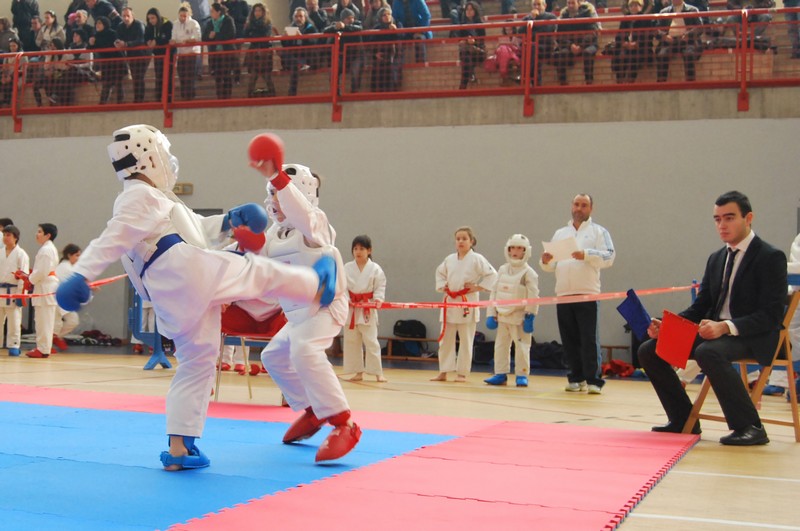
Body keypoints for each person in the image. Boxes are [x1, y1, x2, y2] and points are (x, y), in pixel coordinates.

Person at [55, 124, 338, 470]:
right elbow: (111, 238)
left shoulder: (156, 200)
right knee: (255, 273)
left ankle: (180, 447)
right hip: (183, 270)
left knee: (198, 361)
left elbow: (196, 229)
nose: (169, 161)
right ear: (149, 157)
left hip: (169, 296)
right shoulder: (136, 197)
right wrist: (81, 273)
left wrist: (230, 219)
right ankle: (316, 285)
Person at [638, 191, 786, 446]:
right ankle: (684, 420)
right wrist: (669, 327)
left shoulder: (770, 257)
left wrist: (726, 326)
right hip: (716, 335)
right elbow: (701, 306)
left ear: (748, 218)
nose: (722, 225)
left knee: (709, 352)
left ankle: (751, 426)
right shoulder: (716, 258)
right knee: (650, 349)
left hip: (755, 336)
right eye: (717, 219)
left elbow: (772, 315)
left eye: (729, 218)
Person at [249, 139, 362, 463]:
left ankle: (344, 422)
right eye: (271, 194)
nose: (274, 201)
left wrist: (279, 179)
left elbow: (302, 213)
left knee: (304, 350)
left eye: (280, 194)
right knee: (273, 356)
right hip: (298, 315)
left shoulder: (316, 226)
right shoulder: (273, 235)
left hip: (327, 307)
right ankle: (313, 411)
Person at [540, 194, 615, 394]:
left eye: (584, 205)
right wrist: (546, 261)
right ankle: (575, 377)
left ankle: (593, 380)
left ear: (591, 208)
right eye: (576, 204)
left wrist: (587, 254)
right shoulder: (560, 233)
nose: (579, 208)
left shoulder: (599, 232)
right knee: (569, 338)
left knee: (588, 338)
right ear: (571, 206)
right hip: (564, 293)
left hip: (587, 293)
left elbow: (609, 256)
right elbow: (552, 266)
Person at [432, 226, 497, 383]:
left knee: (466, 340)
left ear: (471, 241)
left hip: (467, 301)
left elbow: (493, 275)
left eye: (464, 239)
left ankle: (462, 373)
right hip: (450, 301)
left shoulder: (477, 259)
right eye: (458, 239)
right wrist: (444, 286)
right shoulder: (449, 259)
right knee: (446, 339)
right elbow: (440, 273)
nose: (461, 241)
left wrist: (478, 287)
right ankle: (444, 371)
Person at [484, 234, 540, 388]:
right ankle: (500, 373)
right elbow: (494, 292)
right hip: (502, 316)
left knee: (522, 347)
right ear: (507, 250)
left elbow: (533, 296)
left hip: (520, 318)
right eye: (513, 248)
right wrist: (491, 314)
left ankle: (522, 375)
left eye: (520, 248)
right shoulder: (502, 270)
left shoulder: (529, 273)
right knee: (501, 346)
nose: (515, 251)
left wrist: (530, 315)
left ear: (526, 251)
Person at [342, 234, 387, 382]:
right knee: (351, 342)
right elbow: (341, 287)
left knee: (371, 341)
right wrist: (347, 299)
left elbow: (380, 286)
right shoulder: (347, 267)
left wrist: (378, 299)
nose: (358, 251)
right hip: (351, 309)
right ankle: (357, 372)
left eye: (361, 248)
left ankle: (377, 373)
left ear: (369, 250)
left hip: (367, 308)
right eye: (355, 249)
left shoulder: (375, 269)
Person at [23, 223, 60, 358]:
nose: (36, 234)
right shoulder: (47, 248)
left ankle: (43, 349)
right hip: (45, 286)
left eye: (39, 232)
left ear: (48, 235)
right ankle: (43, 347)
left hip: (45, 287)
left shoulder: (46, 250)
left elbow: (42, 272)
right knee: (43, 320)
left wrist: (29, 279)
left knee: (44, 320)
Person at [654, 0, 705, 83]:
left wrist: (689, 35)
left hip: (687, 41)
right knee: (662, 55)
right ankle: (661, 84)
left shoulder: (692, 10)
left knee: (689, 54)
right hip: (669, 42)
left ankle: (690, 83)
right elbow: (656, 30)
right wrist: (664, 36)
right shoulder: (664, 12)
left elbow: (700, 27)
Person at [553, 0, 600, 86]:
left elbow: (592, 32)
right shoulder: (563, 16)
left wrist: (581, 46)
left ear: (578, 3)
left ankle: (589, 82)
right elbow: (560, 36)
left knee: (588, 52)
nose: (570, 5)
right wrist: (570, 45)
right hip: (570, 46)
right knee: (560, 54)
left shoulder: (587, 13)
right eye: (568, 3)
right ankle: (563, 82)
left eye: (573, 3)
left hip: (588, 44)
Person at [1, 225, 29, 357]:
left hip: (13, 290)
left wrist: (21, 294)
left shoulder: (21, 254)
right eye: (4, 235)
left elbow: (23, 276)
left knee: (14, 320)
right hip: (0, 291)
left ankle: (14, 345)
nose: (5, 238)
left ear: (15, 238)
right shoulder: (0, 252)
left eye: (8, 235)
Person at [610, 0, 654, 84]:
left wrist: (636, 44)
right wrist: (624, 43)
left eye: (636, 5)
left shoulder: (645, 19)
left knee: (632, 55)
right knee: (619, 55)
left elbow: (648, 36)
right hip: (627, 46)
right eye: (631, 6)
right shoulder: (625, 19)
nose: (633, 8)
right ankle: (619, 80)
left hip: (641, 47)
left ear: (641, 7)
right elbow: (619, 35)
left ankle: (630, 80)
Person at [323, 8, 364, 94]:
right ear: (342, 19)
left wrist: (344, 27)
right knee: (334, 69)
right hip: (342, 56)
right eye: (348, 18)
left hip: (355, 56)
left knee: (355, 71)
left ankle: (354, 92)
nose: (351, 20)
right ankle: (336, 92)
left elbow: (359, 28)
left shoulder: (357, 24)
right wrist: (335, 27)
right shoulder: (337, 25)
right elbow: (325, 30)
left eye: (352, 18)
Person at [516, 0, 557, 86]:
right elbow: (520, 33)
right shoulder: (527, 18)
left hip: (546, 47)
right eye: (534, 5)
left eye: (539, 4)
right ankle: (536, 83)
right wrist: (532, 19)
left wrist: (532, 30)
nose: (536, 7)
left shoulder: (551, 17)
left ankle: (524, 76)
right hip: (530, 48)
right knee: (532, 51)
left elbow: (546, 31)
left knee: (532, 49)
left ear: (545, 5)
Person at [280, 7, 318, 96]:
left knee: (295, 64)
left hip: (306, 56)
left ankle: (292, 92)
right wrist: (284, 38)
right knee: (289, 58)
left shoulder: (311, 28)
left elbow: (313, 43)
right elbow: (286, 46)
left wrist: (301, 37)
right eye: (296, 16)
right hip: (294, 58)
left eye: (301, 16)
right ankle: (292, 91)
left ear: (305, 17)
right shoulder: (291, 28)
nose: (298, 19)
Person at [202, 3, 237, 100]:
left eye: (212, 11)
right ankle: (219, 97)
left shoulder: (228, 20)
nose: (210, 13)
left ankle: (227, 97)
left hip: (226, 53)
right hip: (215, 54)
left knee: (227, 76)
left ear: (218, 12)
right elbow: (204, 37)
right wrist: (209, 37)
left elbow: (231, 34)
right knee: (218, 77)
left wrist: (215, 36)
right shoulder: (210, 23)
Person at [115, 7, 149, 104]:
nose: (126, 18)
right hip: (131, 55)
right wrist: (118, 43)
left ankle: (140, 99)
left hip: (143, 54)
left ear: (132, 16)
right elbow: (117, 38)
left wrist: (126, 44)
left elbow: (141, 40)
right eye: (124, 16)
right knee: (135, 76)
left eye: (128, 16)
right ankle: (137, 98)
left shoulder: (139, 25)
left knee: (139, 76)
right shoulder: (120, 26)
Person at [243, 2, 277, 98]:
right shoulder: (250, 23)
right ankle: (249, 96)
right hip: (254, 51)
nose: (257, 13)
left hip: (265, 51)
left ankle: (273, 95)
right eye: (255, 11)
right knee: (253, 76)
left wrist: (253, 33)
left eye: (259, 10)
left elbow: (265, 35)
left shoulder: (267, 23)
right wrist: (253, 32)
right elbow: (245, 35)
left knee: (267, 76)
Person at [89, 16, 125, 104]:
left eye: (99, 23)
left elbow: (115, 45)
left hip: (116, 62)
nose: (97, 25)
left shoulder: (112, 33)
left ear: (105, 24)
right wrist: (91, 43)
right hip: (105, 64)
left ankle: (120, 104)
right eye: (96, 23)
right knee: (106, 84)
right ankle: (102, 104)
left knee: (118, 83)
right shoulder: (96, 35)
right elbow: (91, 49)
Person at [52, 243, 82, 351]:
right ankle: (49, 343)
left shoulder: (68, 267)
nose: (78, 258)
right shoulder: (65, 267)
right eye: (77, 255)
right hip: (55, 298)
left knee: (71, 321)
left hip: (62, 299)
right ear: (69, 255)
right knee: (57, 323)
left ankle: (56, 338)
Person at [171, 3, 202, 101]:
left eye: (185, 16)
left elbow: (197, 37)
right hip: (181, 54)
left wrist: (188, 40)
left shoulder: (194, 23)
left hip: (192, 54)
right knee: (182, 76)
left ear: (188, 15)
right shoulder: (176, 24)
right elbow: (174, 37)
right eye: (181, 16)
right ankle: (184, 96)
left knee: (190, 77)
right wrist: (173, 41)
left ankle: (191, 97)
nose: (183, 18)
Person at [454, 1, 485, 90]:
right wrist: (465, 41)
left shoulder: (480, 24)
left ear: (475, 11)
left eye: (471, 9)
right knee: (465, 56)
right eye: (467, 9)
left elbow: (482, 40)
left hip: (478, 52)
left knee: (466, 58)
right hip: (466, 51)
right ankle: (470, 75)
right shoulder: (462, 25)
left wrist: (474, 41)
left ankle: (462, 86)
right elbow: (459, 40)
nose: (468, 11)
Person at [144, 7, 173, 101]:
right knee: (158, 75)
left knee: (167, 75)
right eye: (149, 18)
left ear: (158, 17)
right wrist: (148, 41)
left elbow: (167, 37)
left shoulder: (167, 24)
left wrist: (157, 41)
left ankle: (168, 97)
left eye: (153, 18)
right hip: (157, 55)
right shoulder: (149, 27)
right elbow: (146, 37)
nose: (151, 20)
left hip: (168, 54)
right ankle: (159, 97)